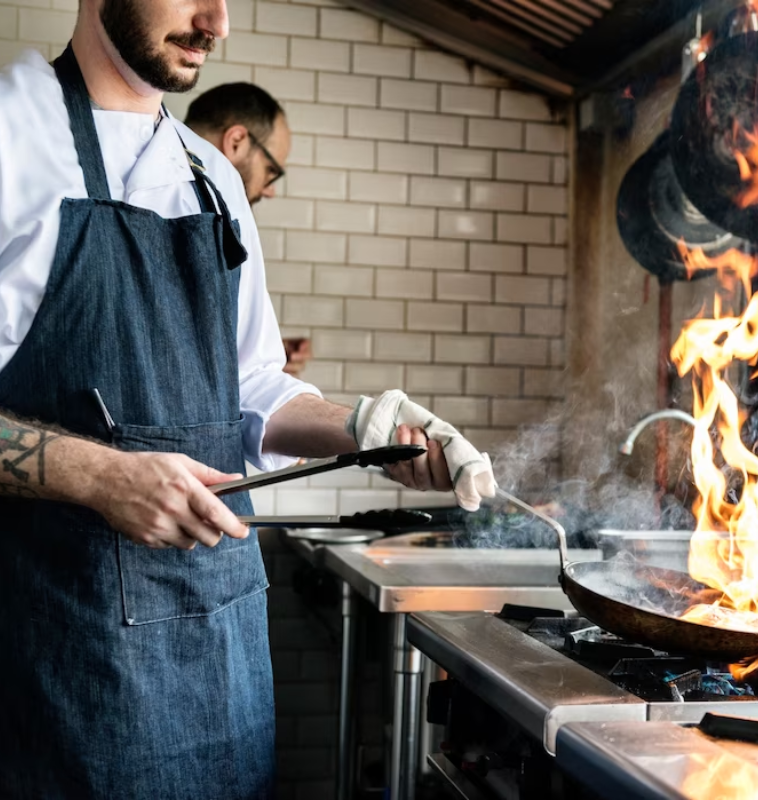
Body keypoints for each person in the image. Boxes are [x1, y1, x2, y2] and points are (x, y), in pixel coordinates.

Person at [0, 0, 494, 798]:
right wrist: (100, 476)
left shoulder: (211, 177)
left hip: (218, 646)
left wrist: (366, 427)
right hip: (65, 656)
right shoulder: (11, 136)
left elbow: (253, 386)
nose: (216, 21)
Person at [185, 82, 311, 376]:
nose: (270, 191)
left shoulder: (223, 220)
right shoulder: (192, 217)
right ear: (237, 141)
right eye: (271, 171)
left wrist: (256, 356)